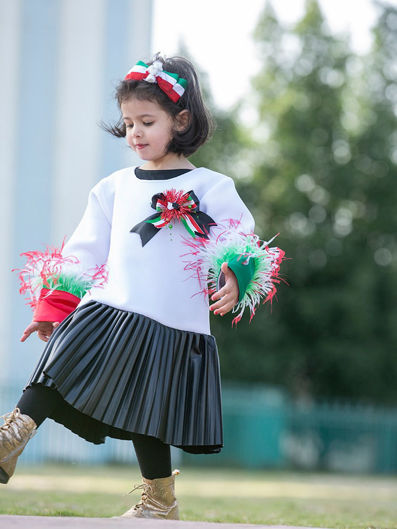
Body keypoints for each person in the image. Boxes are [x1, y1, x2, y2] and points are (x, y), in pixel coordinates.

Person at [0, 53, 284, 519]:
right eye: (128, 122)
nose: (134, 132)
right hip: (111, 309)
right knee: (59, 361)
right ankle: (14, 434)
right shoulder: (112, 187)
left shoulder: (211, 186)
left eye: (147, 121)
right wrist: (51, 307)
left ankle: (161, 502)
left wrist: (234, 275)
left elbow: (239, 237)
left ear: (181, 120)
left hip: (172, 323)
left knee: (149, 414)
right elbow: (82, 251)